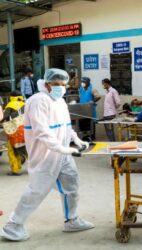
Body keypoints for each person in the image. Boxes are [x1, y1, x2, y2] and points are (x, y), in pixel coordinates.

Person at [0, 68, 94, 241]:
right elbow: (42, 131)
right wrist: (62, 148)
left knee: (72, 186)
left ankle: (72, 220)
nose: (60, 87)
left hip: (62, 154)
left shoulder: (60, 102)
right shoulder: (37, 101)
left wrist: (76, 140)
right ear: (47, 83)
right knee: (36, 191)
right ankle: (13, 225)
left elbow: (66, 125)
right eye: (56, 84)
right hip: (45, 155)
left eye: (63, 84)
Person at [1, 91, 27, 176]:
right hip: (25, 130)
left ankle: (15, 170)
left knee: (13, 151)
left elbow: (5, 117)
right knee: (25, 148)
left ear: (12, 96)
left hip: (14, 132)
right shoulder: (25, 104)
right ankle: (34, 167)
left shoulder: (10, 105)